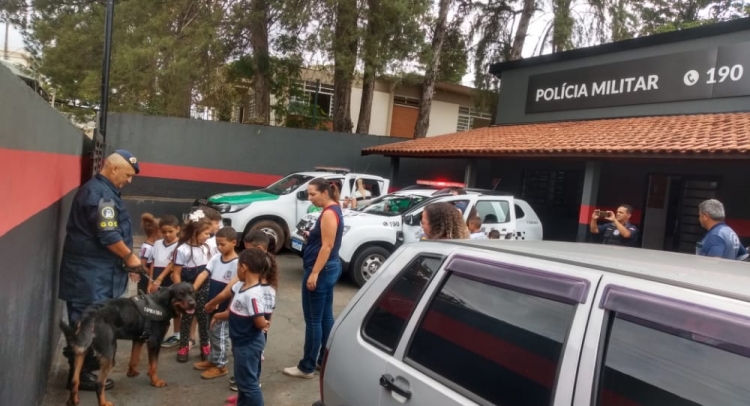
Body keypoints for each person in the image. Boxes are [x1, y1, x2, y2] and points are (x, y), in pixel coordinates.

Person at [58, 149, 141, 391]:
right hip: (89, 276)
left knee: (96, 321)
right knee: (85, 322)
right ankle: (80, 376)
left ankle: (85, 370)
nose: (129, 180)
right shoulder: (98, 194)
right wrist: (130, 257)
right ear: (112, 168)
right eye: (127, 175)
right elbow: (108, 235)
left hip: (99, 273)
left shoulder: (107, 192)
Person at [283, 178, 344, 379]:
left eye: (313, 194)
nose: (310, 198)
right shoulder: (334, 209)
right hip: (330, 268)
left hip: (321, 270)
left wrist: (315, 273)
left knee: (313, 320)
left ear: (325, 192)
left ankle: (306, 367)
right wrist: (313, 235)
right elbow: (326, 241)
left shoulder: (328, 213)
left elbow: (327, 246)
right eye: (308, 194)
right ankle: (322, 360)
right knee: (325, 317)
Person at [211, 248, 273, 406]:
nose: (236, 270)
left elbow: (259, 321)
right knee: (242, 380)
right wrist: (217, 316)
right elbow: (234, 311)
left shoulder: (252, 295)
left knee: (249, 384)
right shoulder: (240, 286)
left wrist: (264, 324)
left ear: (244, 267)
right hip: (240, 343)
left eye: (237, 266)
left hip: (248, 345)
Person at [193, 226, 239, 379]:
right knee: (212, 333)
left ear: (234, 242)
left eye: (223, 244)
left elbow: (230, 289)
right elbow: (204, 274)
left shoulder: (237, 264)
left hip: (224, 306)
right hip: (211, 303)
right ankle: (213, 359)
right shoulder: (215, 258)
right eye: (217, 244)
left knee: (220, 335)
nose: (219, 247)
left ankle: (220, 365)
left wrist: (216, 303)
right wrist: (192, 289)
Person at [172, 211, 213, 362]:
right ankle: (184, 346)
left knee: (203, 318)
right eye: (206, 233)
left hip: (204, 288)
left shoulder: (207, 248)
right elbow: (176, 273)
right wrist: (180, 292)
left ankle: (205, 346)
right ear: (196, 232)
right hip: (187, 290)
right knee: (187, 317)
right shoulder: (181, 250)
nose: (208, 237)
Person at [147, 215, 182, 347]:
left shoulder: (180, 245)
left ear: (177, 229)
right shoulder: (157, 244)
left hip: (169, 279)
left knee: (175, 307)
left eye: (170, 231)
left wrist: (159, 279)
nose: (167, 234)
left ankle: (177, 334)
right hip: (156, 279)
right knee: (157, 307)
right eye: (164, 232)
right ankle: (157, 333)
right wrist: (151, 281)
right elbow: (153, 262)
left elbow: (172, 264)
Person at [136, 213, 161, 294]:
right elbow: (142, 265)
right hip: (146, 281)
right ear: (157, 231)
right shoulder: (147, 247)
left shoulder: (156, 245)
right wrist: (152, 275)